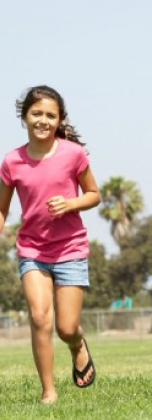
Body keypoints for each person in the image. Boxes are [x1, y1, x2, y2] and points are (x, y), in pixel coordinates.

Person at [0, 86, 101, 404]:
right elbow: (2, 208)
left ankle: (77, 344)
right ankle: (49, 392)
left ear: (59, 120)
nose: (43, 120)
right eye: (36, 113)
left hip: (70, 249)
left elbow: (94, 194)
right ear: (24, 116)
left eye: (50, 115)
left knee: (66, 327)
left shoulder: (73, 154)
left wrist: (71, 205)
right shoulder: (11, 161)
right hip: (32, 250)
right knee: (39, 317)